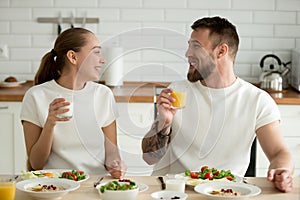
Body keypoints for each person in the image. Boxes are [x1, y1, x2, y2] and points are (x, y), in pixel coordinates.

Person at [142, 16, 294, 192]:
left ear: (221, 51)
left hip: (226, 192)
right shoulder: (177, 92)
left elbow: (279, 153)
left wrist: (282, 170)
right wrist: (164, 122)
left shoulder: (257, 100)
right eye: (189, 45)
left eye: (196, 46)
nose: (187, 53)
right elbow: (149, 158)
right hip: (174, 192)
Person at [20, 27, 126, 178]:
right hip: (55, 184)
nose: (102, 60)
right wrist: (50, 123)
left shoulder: (103, 94)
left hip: (94, 182)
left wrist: (116, 165)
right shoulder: (36, 96)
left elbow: (112, 152)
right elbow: (36, 164)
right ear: (73, 57)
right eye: (96, 52)